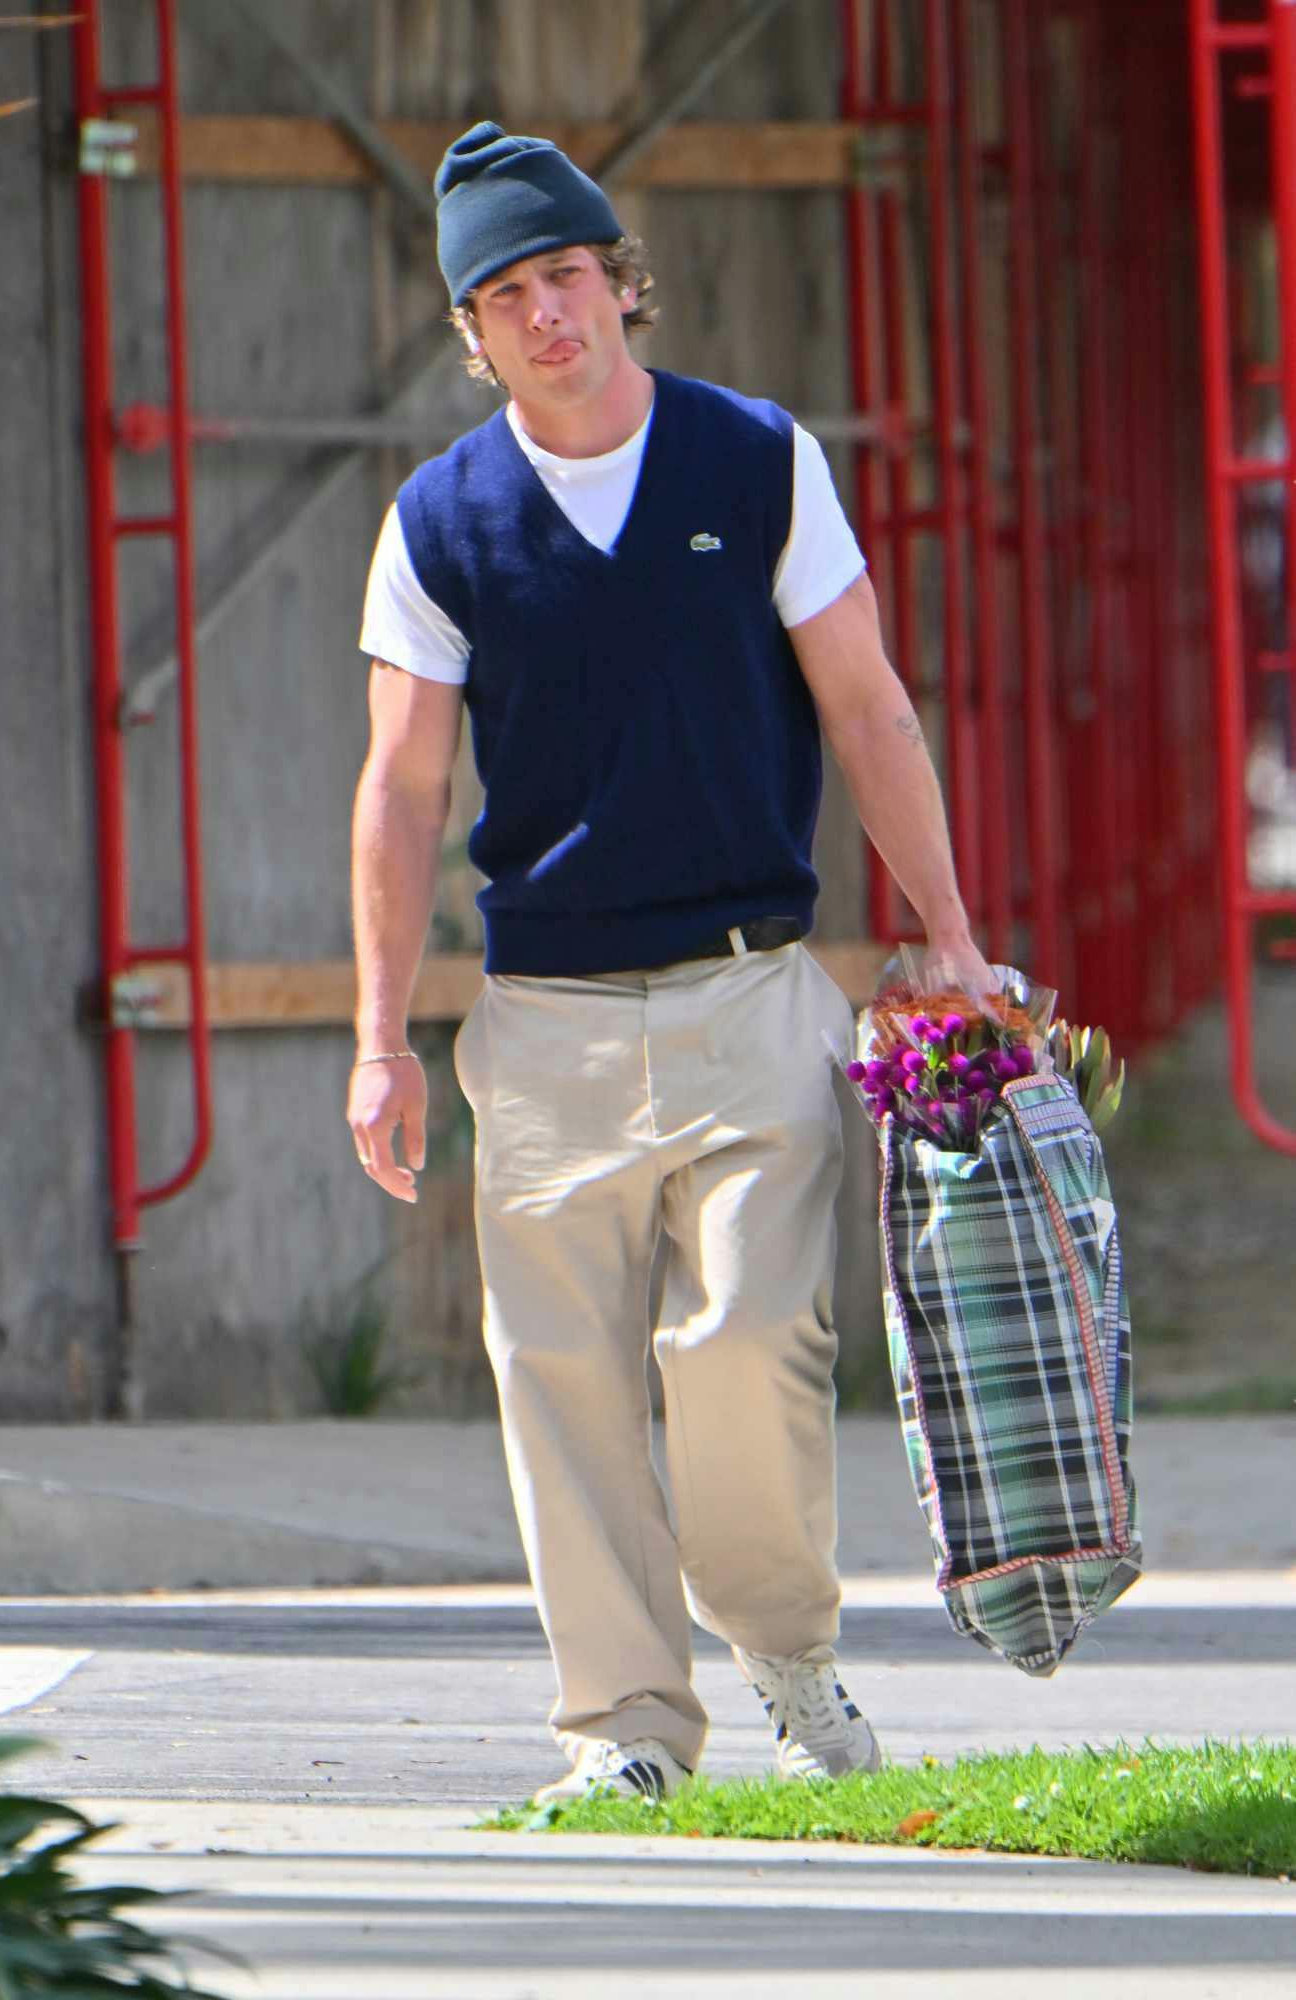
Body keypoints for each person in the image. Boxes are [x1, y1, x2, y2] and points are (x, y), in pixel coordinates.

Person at [348, 121, 991, 1805]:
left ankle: (781, 1647)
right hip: (542, 1022)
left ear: (619, 283)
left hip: (751, 989)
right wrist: (375, 1037)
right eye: (503, 295)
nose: (544, 315)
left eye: (564, 275)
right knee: (557, 1387)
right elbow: (401, 789)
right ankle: (624, 1728)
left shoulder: (756, 461)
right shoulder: (438, 520)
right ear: (470, 333)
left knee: (748, 1345)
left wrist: (948, 937)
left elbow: (868, 707)